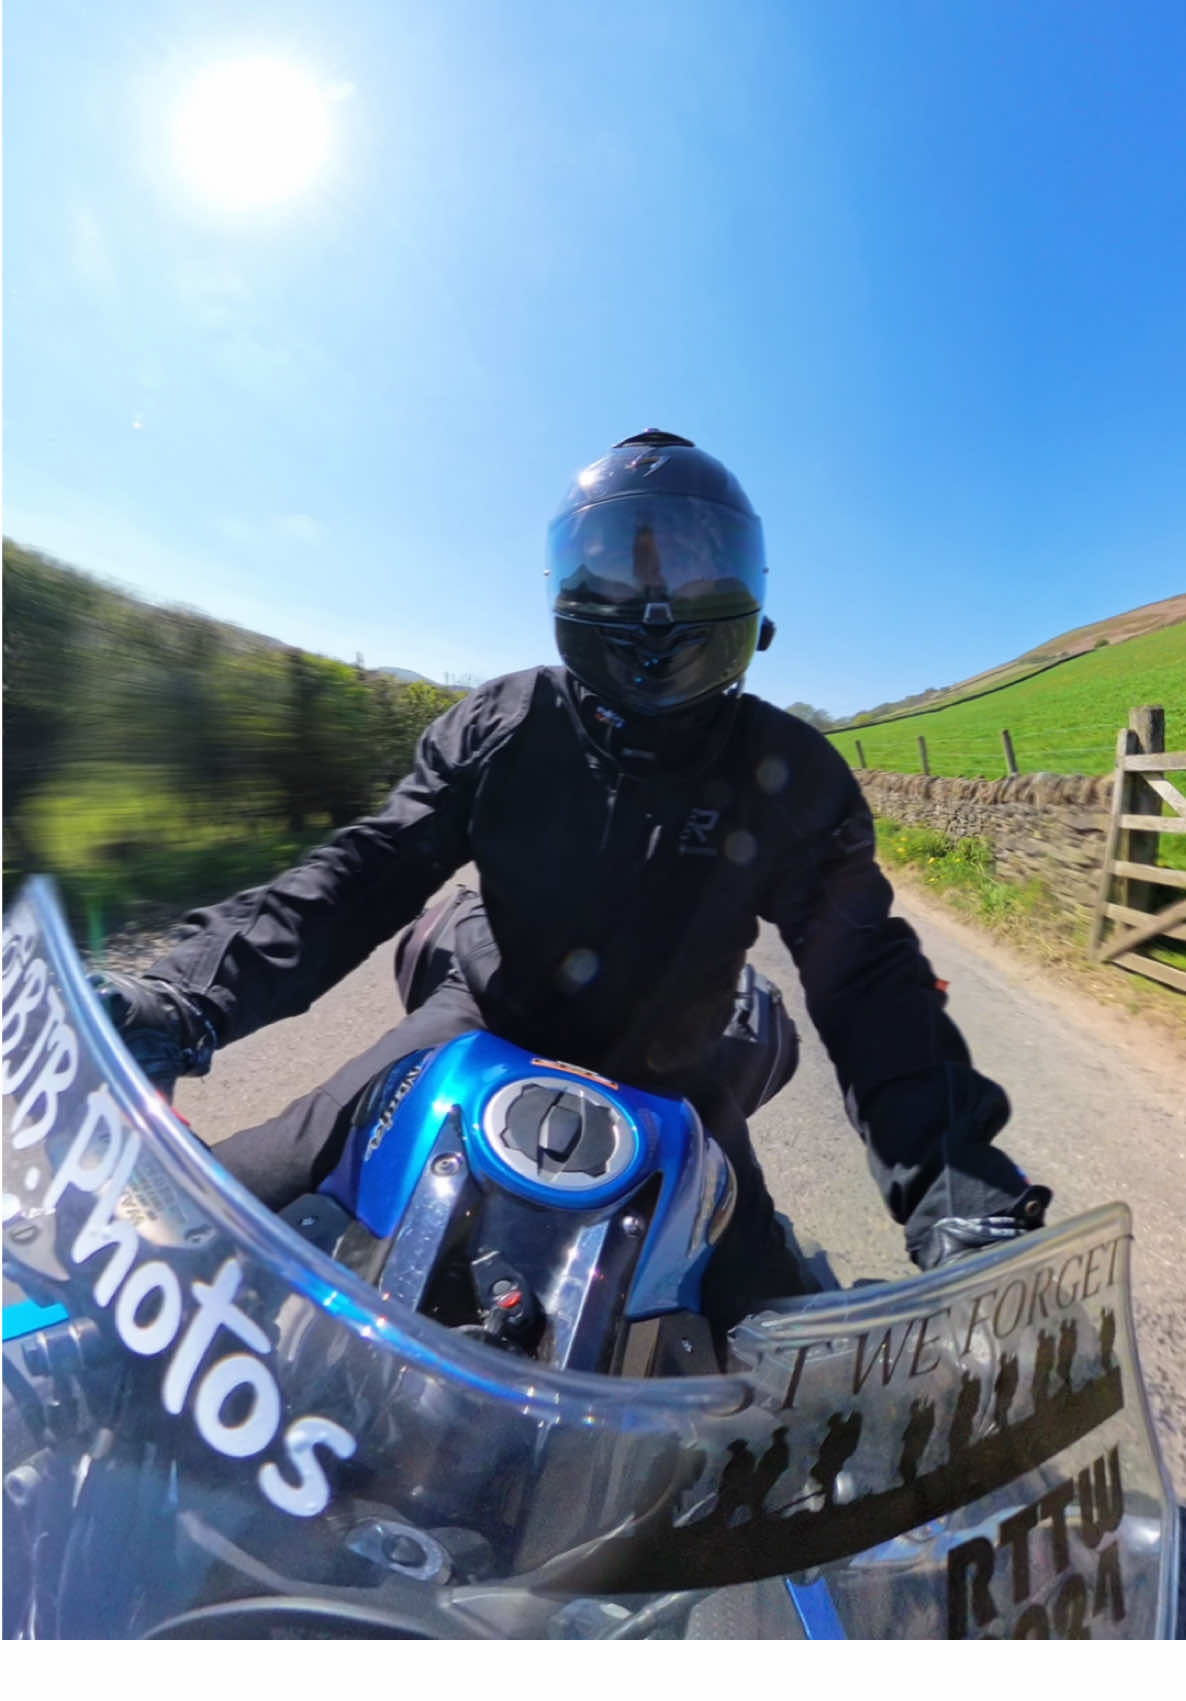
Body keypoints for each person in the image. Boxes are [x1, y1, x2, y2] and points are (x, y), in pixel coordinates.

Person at [94, 429, 1050, 1331]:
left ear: (745, 585)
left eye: (686, 559)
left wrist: (962, 1197)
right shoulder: (506, 723)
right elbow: (369, 868)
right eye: (627, 559)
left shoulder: (788, 772)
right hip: (485, 1018)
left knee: (790, 1359)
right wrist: (184, 993)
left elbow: (865, 976)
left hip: (681, 1068)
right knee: (184, 1229)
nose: (656, 596)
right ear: (572, 574)